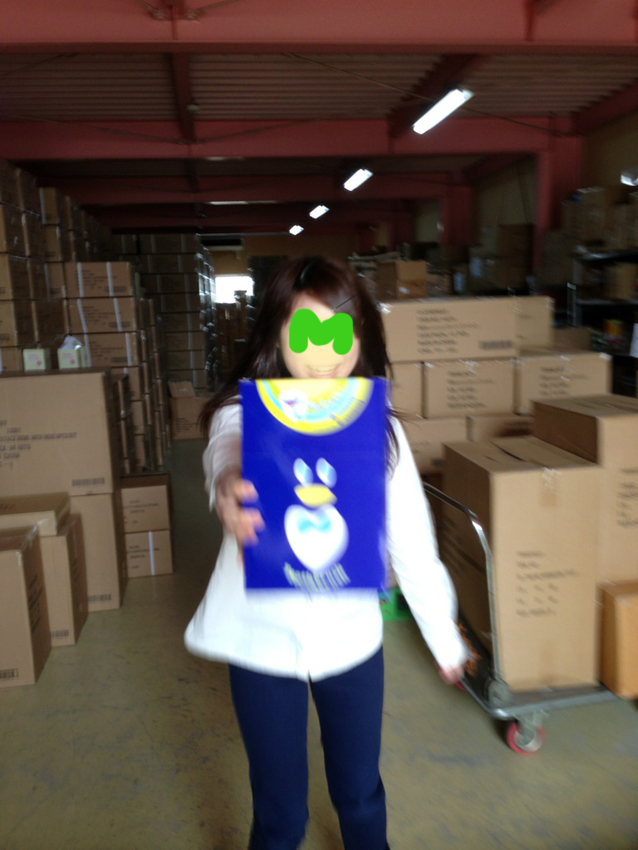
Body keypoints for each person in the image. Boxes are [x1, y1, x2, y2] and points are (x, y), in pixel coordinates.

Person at [184, 256, 468, 850]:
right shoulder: (243, 415)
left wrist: (443, 636)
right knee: (280, 814)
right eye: (306, 333)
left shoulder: (379, 430)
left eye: (340, 332)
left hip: (351, 643)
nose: (323, 353)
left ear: (361, 337)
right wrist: (229, 484)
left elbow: (413, 540)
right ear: (275, 336)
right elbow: (225, 449)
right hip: (259, 645)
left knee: (361, 795)